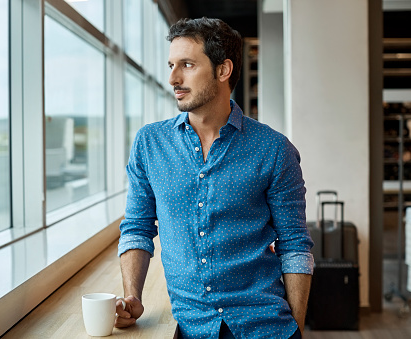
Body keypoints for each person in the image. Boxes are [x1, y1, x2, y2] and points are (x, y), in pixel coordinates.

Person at [115, 17, 313, 339]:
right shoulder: (149, 144)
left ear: (223, 70)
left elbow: (295, 247)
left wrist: (296, 331)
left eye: (187, 65)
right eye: (171, 65)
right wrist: (133, 296)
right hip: (192, 328)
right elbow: (137, 227)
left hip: (265, 326)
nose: (173, 78)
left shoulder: (274, 150)